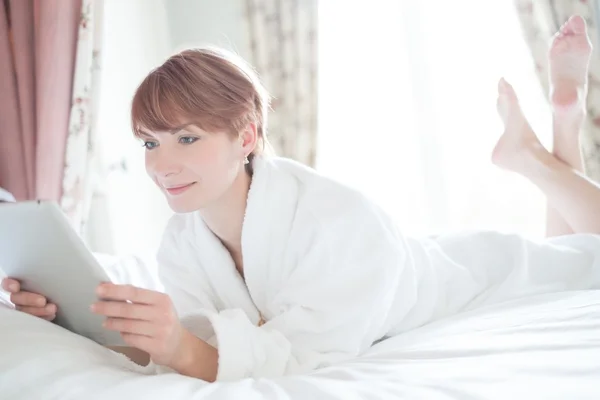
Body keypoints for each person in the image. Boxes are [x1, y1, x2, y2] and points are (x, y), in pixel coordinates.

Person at [3, 15, 600, 383]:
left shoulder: (333, 217)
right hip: (419, 262)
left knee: (579, 259)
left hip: (466, 275)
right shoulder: (183, 241)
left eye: (186, 138)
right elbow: (199, 340)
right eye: (150, 142)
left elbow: (299, 356)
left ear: (247, 136)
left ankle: (539, 154)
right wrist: (81, 323)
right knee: (570, 244)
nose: (160, 164)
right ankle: (550, 138)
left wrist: (182, 345)